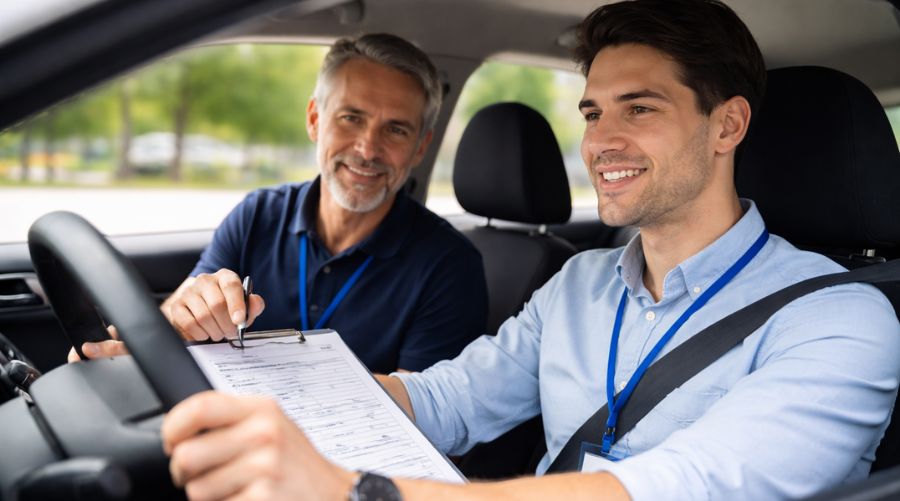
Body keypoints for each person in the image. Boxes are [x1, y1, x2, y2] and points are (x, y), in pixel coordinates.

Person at [162, 1, 900, 499]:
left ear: (727, 126)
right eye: (593, 112)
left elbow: (668, 486)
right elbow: (444, 398)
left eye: (639, 108)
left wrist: (354, 488)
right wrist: (234, 377)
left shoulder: (843, 320)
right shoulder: (580, 283)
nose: (600, 141)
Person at [72, 34, 488, 374]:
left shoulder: (450, 266)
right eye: (351, 118)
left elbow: (425, 414)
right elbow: (179, 321)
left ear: (420, 148)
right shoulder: (258, 214)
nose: (367, 149)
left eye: (395, 129)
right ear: (314, 119)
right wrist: (155, 336)